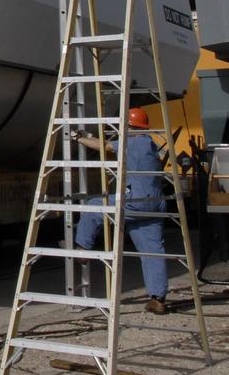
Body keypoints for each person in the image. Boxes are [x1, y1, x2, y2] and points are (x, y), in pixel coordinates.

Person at [70, 107, 169, 314]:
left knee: (94, 206)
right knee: (153, 252)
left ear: (129, 126)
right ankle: (157, 298)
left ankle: (82, 247)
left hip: (137, 200)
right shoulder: (150, 144)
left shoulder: (132, 142)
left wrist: (78, 138)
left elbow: (104, 146)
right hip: (155, 202)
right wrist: (90, 136)